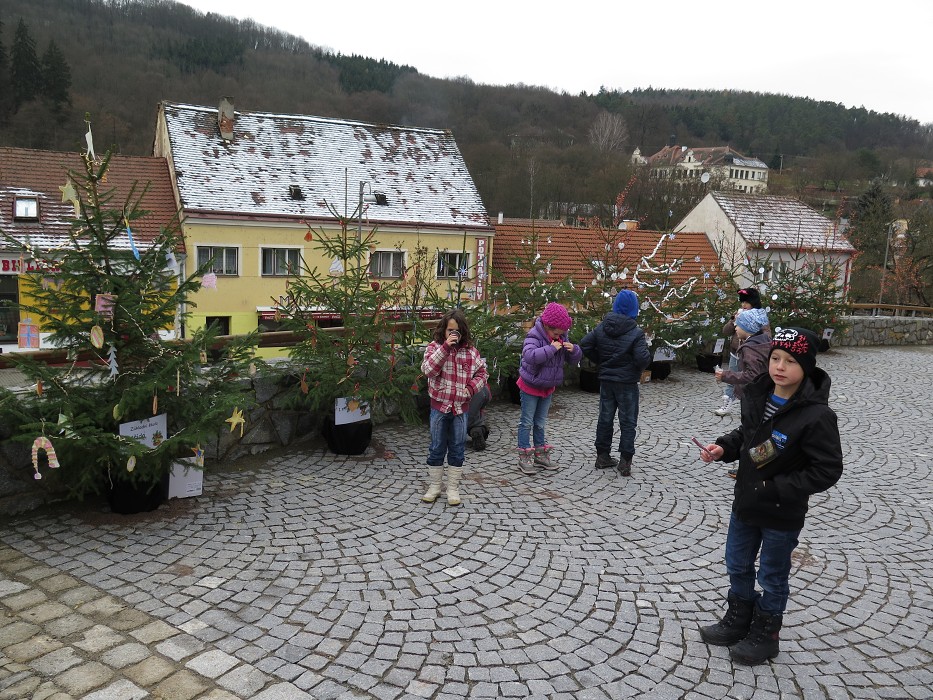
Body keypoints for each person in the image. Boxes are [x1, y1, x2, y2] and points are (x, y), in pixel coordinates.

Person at [696, 326, 843, 665]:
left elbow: (827, 468)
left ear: (806, 367)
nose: (780, 367)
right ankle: (739, 620)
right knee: (737, 563)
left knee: (772, 576)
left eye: (790, 361)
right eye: (776, 358)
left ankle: (766, 634)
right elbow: (748, 435)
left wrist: (777, 488)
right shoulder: (758, 394)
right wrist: (725, 447)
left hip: (781, 511)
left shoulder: (817, 415)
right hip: (746, 501)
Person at [579, 289, 652, 477]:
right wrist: (634, 367)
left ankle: (602, 456)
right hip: (627, 382)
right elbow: (642, 358)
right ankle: (625, 462)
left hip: (607, 381)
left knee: (605, 418)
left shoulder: (603, 326)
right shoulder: (636, 332)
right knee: (628, 422)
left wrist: (602, 362)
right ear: (634, 309)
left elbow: (585, 345)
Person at [420, 309, 489, 506]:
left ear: (463, 332)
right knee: (436, 447)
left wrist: (470, 389)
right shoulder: (434, 348)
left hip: (460, 408)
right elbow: (428, 370)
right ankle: (434, 486)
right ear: (443, 330)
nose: (453, 335)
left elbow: (483, 374)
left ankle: (452, 488)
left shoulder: (470, 352)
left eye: (457, 331)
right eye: (450, 330)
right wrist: (445, 348)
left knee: (457, 449)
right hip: (439, 407)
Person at [515, 302, 582, 475]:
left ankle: (540, 453)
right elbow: (530, 356)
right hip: (530, 385)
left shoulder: (561, 336)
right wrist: (551, 349)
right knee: (527, 421)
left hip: (547, 386)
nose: (559, 336)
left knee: (540, 422)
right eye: (556, 333)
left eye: (562, 334)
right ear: (546, 326)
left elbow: (573, 360)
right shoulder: (534, 336)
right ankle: (524, 454)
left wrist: (573, 350)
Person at [715, 308, 772, 476]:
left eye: (737, 326)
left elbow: (752, 375)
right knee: (756, 431)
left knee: (752, 432)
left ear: (747, 328)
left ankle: (751, 467)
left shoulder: (751, 348)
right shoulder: (763, 341)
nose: (735, 328)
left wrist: (725, 375)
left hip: (754, 396)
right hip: (761, 394)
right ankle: (754, 466)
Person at [716, 287, 770, 416]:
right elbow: (726, 331)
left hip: (749, 354)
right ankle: (727, 403)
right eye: (742, 302)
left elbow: (767, 336)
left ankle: (747, 405)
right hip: (736, 353)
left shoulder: (759, 318)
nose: (743, 305)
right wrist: (733, 320)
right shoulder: (739, 315)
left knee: (746, 379)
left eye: (746, 302)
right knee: (731, 378)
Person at [467, 384, 492, 450]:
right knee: (477, 417)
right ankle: (477, 429)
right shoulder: (481, 381)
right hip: (478, 389)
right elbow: (487, 398)